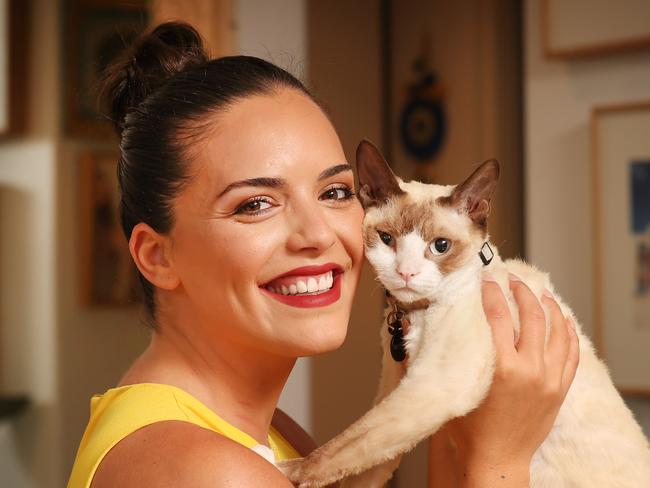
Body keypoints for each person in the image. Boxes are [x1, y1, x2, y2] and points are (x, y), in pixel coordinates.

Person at [67, 22, 579, 488]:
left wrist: (459, 402)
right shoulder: (210, 472)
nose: (317, 234)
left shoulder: (261, 430)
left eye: (335, 193)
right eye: (256, 203)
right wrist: (501, 461)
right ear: (157, 257)